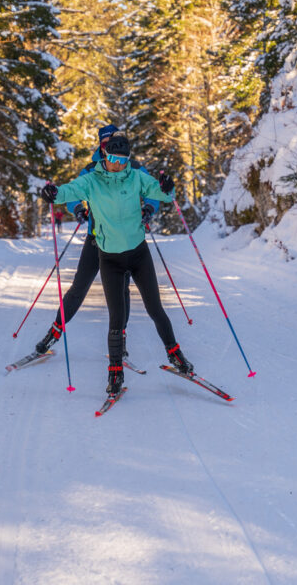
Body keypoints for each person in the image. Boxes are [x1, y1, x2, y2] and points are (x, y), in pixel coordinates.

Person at [40, 133, 192, 396]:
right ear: (104, 156)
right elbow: (69, 191)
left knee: (156, 308)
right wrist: (54, 194)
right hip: (109, 259)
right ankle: (115, 371)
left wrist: (167, 187)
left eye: (123, 160)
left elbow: (161, 194)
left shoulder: (136, 177)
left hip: (138, 254)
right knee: (116, 318)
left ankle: (175, 355)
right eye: (112, 158)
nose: (117, 164)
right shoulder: (92, 180)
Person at [34, 124, 160, 357]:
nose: (108, 148)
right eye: (104, 144)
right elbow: (73, 191)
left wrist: (149, 208)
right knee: (79, 287)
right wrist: (78, 210)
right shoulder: (91, 170)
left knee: (123, 291)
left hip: (126, 242)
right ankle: (54, 332)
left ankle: (119, 341)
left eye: (112, 143)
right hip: (97, 240)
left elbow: (154, 190)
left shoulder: (133, 168)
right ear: (100, 145)